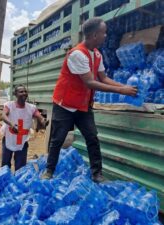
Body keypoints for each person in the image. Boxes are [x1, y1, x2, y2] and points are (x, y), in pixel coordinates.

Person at [41, 17, 137, 182]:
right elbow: (90, 82)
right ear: (94, 35)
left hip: (82, 106)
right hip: (65, 104)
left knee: (92, 138)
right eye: (103, 33)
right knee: (58, 139)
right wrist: (122, 90)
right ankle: (49, 171)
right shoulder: (77, 54)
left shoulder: (97, 54)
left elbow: (104, 78)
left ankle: (97, 174)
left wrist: (125, 87)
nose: (105, 36)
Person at [1, 84, 49, 171]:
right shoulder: (9, 105)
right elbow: (3, 115)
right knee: (5, 166)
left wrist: (43, 120)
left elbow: (39, 116)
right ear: (15, 94)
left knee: (20, 168)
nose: (24, 93)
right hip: (9, 139)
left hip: (22, 141)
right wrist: (11, 124)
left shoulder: (31, 108)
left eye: (25, 91)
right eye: (21, 92)